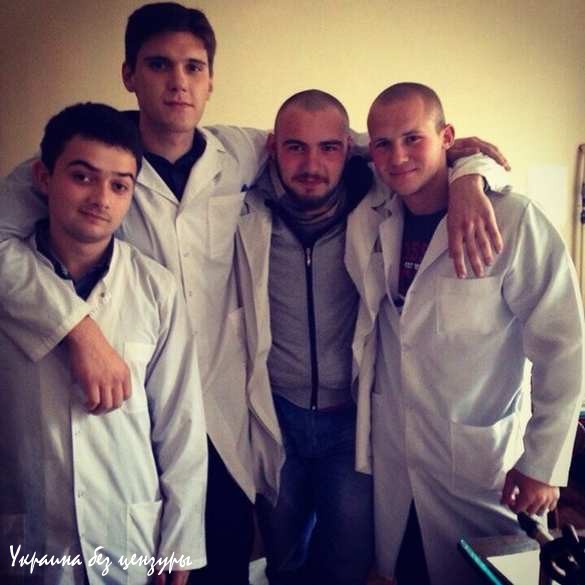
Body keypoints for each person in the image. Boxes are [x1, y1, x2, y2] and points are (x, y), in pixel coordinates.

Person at [0, 3, 509, 582]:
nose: (177, 83)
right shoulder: (91, 157)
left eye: (193, 67)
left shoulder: (239, 152)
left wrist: (464, 165)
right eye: (159, 64)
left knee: (225, 554)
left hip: (221, 404)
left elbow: (367, 145)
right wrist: (76, 327)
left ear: (211, 80)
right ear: (129, 74)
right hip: (126, 383)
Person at [236, 89, 511, 585]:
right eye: (295, 147)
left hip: (351, 423)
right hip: (277, 417)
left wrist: (468, 169)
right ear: (273, 146)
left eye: (329, 148)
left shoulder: (377, 203)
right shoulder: (243, 206)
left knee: (349, 561)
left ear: (348, 148)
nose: (312, 165)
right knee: (282, 557)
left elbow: (416, 153)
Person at [349, 82, 585, 585]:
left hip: (481, 464)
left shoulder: (512, 220)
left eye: (413, 138)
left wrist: (543, 464)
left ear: (447, 138)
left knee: (486, 573)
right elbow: (330, 142)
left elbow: (563, 346)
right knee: (407, 571)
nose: (397, 157)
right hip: (396, 458)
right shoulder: (378, 214)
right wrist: (469, 170)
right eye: (383, 144)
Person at [0, 102, 207, 585]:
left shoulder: (156, 289)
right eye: (82, 177)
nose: (101, 198)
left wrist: (179, 544)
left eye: (120, 185)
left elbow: (181, 422)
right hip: (31, 536)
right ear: (44, 178)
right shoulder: (10, 284)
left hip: (130, 536)